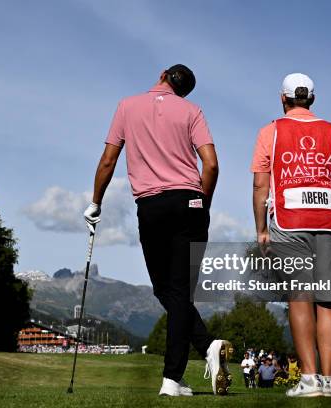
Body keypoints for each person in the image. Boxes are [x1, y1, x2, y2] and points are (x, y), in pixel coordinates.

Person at [83, 64, 232, 397]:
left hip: (150, 208)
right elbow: (211, 164)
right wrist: (202, 204)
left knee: (167, 289)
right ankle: (201, 352)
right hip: (189, 204)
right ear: (184, 91)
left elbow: (108, 161)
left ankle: (175, 376)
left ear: (163, 74)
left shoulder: (126, 106)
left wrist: (95, 202)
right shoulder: (192, 111)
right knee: (174, 291)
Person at [251, 73, 331, 397]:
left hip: (288, 221)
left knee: (300, 298)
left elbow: (260, 186)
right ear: (312, 99)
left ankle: (309, 379)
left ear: (283, 98)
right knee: (328, 301)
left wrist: (260, 230)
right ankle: (329, 380)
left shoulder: (269, 131)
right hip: (329, 221)